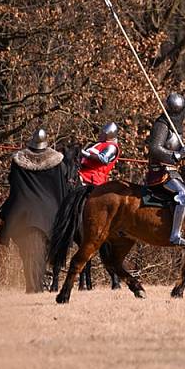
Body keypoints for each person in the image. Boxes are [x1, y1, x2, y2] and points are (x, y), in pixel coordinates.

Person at [0, 128, 74, 293]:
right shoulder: (57, 161)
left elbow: (14, 185)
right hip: (49, 212)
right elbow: (63, 188)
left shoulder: (19, 160)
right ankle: (39, 283)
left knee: (8, 216)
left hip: (24, 212)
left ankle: (32, 286)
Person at [146, 92, 185, 246]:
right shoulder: (161, 124)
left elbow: (175, 146)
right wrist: (177, 155)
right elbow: (155, 149)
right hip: (161, 171)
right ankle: (175, 235)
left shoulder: (176, 127)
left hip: (174, 171)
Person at [77, 122, 121, 290]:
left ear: (109, 135)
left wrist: (83, 152)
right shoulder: (98, 144)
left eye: (103, 133)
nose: (100, 135)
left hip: (94, 183)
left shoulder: (112, 147)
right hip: (82, 178)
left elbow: (103, 159)